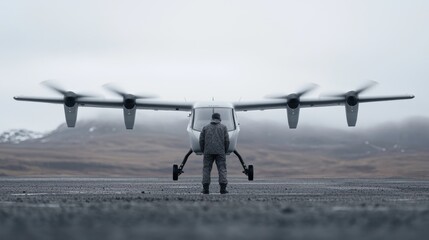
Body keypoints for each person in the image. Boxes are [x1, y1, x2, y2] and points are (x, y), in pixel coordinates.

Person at [199, 112, 230, 194]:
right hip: (220, 152)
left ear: (212, 118)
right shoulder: (223, 127)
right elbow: (227, 140)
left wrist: (203, 150)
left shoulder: (205, 128)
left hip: (208, 152)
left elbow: (201, 140)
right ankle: (223, 189)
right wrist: (225, 151)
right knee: (222, 169)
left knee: (206, 169)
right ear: (219, 119)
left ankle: (205, 189)